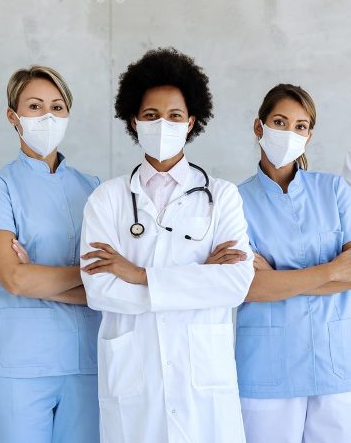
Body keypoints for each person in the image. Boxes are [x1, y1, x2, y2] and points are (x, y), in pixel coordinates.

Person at [80, 48, 254, 443]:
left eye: (175, 116)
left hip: (202, 381)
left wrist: (138, 275)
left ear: (191, 122)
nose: (164, 125)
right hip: (135, 378)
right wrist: (199, 280)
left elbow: (235, 284)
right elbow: (100, 290)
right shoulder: (106, 199)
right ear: (134, 121)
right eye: (151, 115)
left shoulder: (222, 195)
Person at [217, 83, 351, 443]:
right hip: (267, 366)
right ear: (258, 127)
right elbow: (247, 286)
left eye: (300, 126)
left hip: (338, 363)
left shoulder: (335, 191)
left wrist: (276, 280)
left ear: (309, 136)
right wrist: (332, 270)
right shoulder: (233, 200)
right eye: (280, 122)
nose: (289, 133)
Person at [0, 65, 101, 443]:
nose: (47, 116)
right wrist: (86, 271)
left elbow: (108, 286)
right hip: (18, 366)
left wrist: (39, 279)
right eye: (34, 106)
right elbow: (13, 278)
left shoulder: (93, 188)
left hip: (86, 363)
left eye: (57, 107)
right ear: (13, 117)